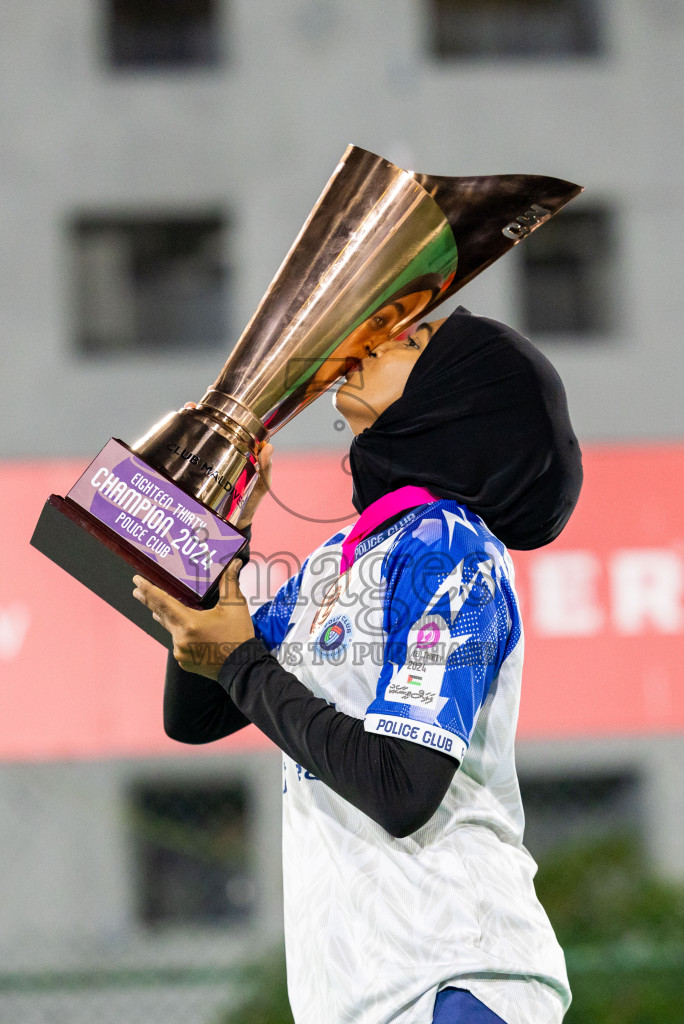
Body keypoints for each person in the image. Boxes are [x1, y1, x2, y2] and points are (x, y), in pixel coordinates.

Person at [133, 306, 583, 1024]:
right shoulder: (337, 560)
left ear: (453, 396)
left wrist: (241, 661)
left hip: (454, 978)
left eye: (418, 339)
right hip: (354, 997)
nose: (381, 336)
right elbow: (198, 714)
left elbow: (402, 787)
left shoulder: (451, 552)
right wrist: (222, 541)